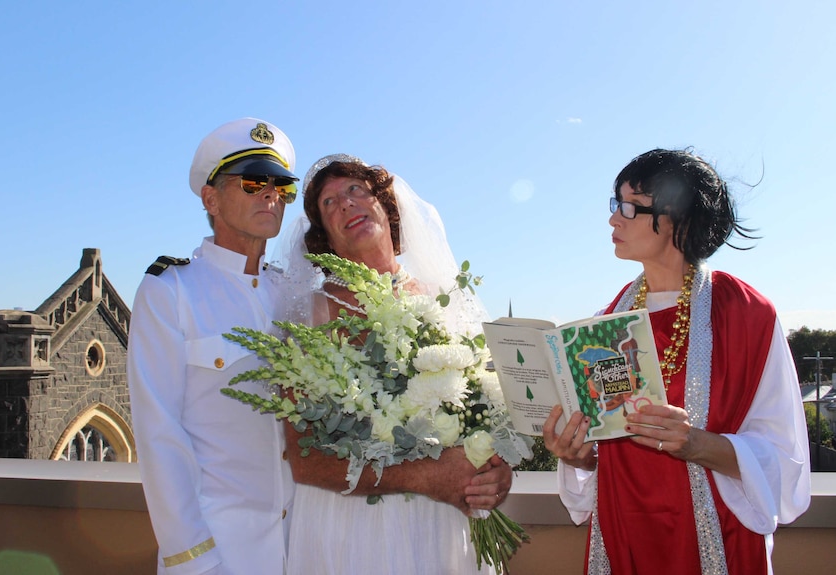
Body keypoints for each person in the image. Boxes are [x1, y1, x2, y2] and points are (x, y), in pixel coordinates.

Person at [543, 148, 811, 574]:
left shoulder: (746, 314)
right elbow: (607, 451)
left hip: (718, 534)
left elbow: (784, 458)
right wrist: (577, 455)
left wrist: (696, 444)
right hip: (623, 532)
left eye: (630, 207)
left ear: (678, 218)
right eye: (616, 204)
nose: (614, 219)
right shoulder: (604, 323)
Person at [278, 154, 512, 575]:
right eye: (329, 204)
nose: (346, 204)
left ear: (386, 206)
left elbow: (489, 410)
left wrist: (495, 474)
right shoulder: (311, 316)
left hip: (446, 527)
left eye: (355, 190)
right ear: (325, 238)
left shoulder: (447, 297)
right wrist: (428, 477)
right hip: (356, 531)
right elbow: (303, 459)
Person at [127, 118, 298, 574]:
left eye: (282, 186)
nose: (271, 194)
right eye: (254, 182)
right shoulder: (171, 291)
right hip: (221, 553)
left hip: (303, 547)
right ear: (210, 198)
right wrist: (194, 561)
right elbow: (159, 434)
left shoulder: (295, 296)